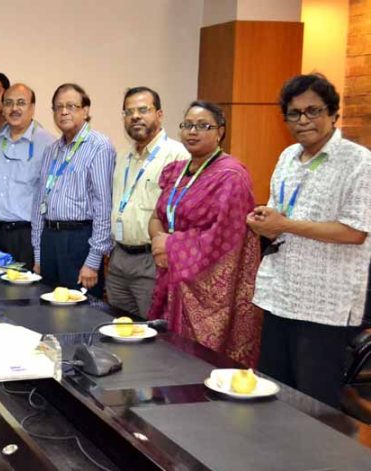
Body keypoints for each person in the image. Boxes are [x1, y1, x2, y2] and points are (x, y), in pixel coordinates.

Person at [248, 74, 371, 407]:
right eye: (294, 113)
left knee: (314, 402)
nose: (303, 120)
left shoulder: (358, 162)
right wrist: (264, 221)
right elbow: (279, 209)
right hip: (281, 292)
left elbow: (355, 231)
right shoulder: (288, 156)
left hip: (324, 302)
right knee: (273, 390)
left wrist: (286, 224)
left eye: (313, 111)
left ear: (333, 114)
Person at [147, 100, 262, 367]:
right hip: (170, 274)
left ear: (220, 131)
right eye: (187, 125)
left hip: (205, 288)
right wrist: (158, 241)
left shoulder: (231, 176)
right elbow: (157, 216)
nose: (192, 132)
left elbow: (225, 238)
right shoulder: (177, 172)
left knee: (197, 366)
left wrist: (171, 247)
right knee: (164, 361)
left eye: (203, 126)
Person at [108, 87, 189, 318]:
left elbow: (183, 214)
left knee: (153, 333)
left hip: (152, 260)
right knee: (118, 328)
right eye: (129, 111)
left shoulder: (177, 155)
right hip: (119, 258)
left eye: (143, 110)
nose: (135, 116)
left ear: (159, 114)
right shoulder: (123, 156)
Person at [31, 83, 114, 296]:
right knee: (48, 309)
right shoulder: (51, 150)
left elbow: (103, 205)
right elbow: (39, 202)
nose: (64, 112)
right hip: (50, 239)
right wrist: (39, 255)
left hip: (79, 241)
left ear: (85, 111)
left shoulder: (99, 146)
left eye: (71, 106)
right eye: (58, 107)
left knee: (80, 316)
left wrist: (94, 260)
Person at [0, 83, 55, 269]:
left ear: (32, 108)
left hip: (29, 234)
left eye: (21, 103)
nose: (14, 108)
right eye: (9, 103)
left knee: (26, 294)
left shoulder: (48, 144)